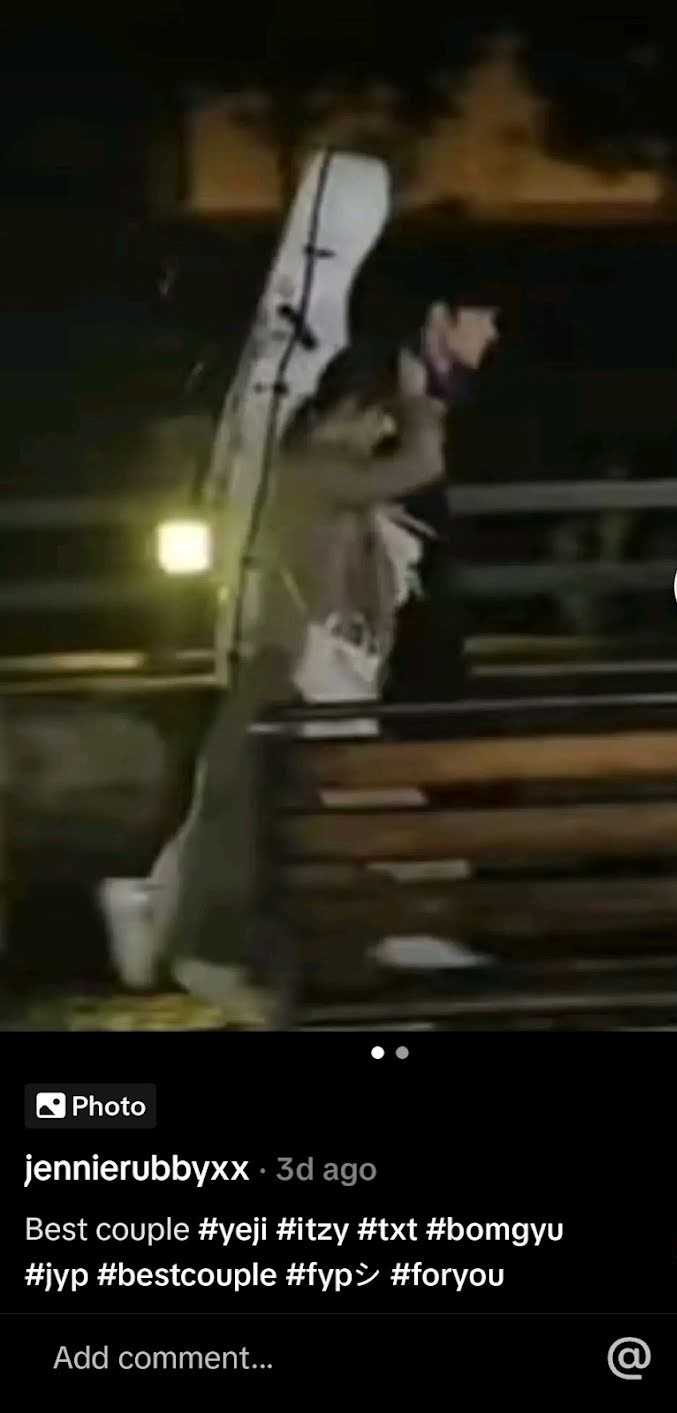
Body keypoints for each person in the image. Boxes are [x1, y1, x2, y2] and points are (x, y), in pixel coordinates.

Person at [100, 347, 445, 1019]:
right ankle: (395, 925)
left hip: (322, 666)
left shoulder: (329, 472)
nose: (386, 433)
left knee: (245, 807)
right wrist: (420, 401)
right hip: (302, 665)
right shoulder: (313, 467)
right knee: (299, 806)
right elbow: (420, 465)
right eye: (380, 419)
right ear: (352, 409)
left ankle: (159, 912)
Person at [381, 287, 500, 704]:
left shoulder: (452, 386)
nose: (491, 332)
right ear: (440, 319)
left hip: (431, 534)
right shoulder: (394, 383)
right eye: (482, 318)